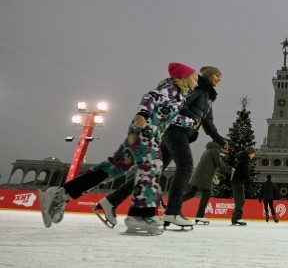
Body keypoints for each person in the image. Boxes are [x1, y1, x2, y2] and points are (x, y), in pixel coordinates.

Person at [40, 62, 199, 235]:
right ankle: (141, 215)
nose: (197, 83)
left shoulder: (178, 97)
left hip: (140, 134)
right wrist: (143, 113)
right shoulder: (171, 89)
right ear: (184, 77)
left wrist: (190, 122)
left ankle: (61, 194)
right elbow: (150, 98)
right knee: (152, 166)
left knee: (113, 169)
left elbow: (168, 117)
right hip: (145, 132)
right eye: (195, 78)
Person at [93, 65, 228, 229]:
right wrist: (192, 117)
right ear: (207, 76)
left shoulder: (208, 98)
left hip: (182, 134)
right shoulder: (197, 89)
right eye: (217, 75)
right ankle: (172, 212)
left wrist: (220, 141)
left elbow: (208, 124)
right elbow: (180, 104)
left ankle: (111, 201)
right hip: (176, 131)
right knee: (185, 167)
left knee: (151, 172)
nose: (219, 79)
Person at [182, 141, 233, 225]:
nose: (227, 150)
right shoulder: (215, 150)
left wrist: (214, 175)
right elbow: (219, 164)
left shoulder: (209, 149)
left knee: (191, 193)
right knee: (206, 194)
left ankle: (174, 204)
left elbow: (209, 164)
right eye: (226, 148)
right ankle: (200, 216)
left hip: (198, 175)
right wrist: (230, 168)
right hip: (204, 176)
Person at [230, 146, 256, 225]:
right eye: (253, 154)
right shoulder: (245, 160)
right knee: (240, 200)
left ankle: (235, 219)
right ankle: (237, 218)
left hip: (237, 181)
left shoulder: (243, 158)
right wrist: (248, 184)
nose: (254, 156)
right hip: (238, 181)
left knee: (239, 200)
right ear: (250, 153)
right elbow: (246, 172)